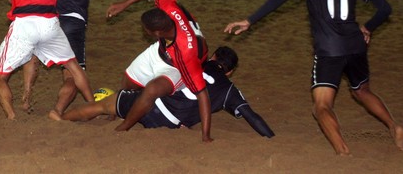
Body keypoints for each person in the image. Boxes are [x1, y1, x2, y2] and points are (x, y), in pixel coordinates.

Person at [224, 0, 403, 156]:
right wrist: (367, 27)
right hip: (355, 44)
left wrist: (250, 20)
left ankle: (343, 152)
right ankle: (395, 126)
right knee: (362, 91)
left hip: (329, 48)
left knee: (321, 106)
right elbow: (385, 9)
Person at [52, 46, 275, 139]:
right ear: (231, 72)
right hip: (172, 126)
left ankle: (61, 119)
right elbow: (251, 116)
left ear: (213, 57)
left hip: (150, 107)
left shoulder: (194, 63)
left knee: (103, 105)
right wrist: (270, 137)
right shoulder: (229, 90)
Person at [105, 0, 212, 142]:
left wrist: (205, 135)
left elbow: (202, 94)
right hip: (164, 49)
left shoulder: (186, 54)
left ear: (156, 33)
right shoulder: (167, 8)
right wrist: (124, 4)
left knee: (152, 90)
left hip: (180, 61)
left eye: (144, 29)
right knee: (128, 77)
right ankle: (116, 109)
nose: (143, 31)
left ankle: (124, 127)